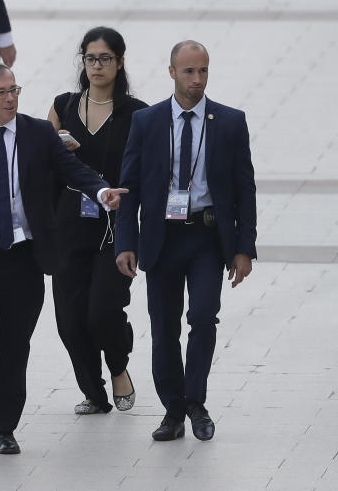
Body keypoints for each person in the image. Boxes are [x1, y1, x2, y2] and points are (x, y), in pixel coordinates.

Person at [0, 61, 126, 459]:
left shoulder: (36, 134)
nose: (11, 98)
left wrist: (101, 193)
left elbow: (71, 168)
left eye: (14, 89)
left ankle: (5, 428)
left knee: (15, 346)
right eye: (1, 92)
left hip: (25, 257)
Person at [116, 40, 257, 442]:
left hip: (208, 237)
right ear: (172, 72)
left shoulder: (229, 121)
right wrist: (126, 243)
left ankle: (195, 401)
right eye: (189, 71)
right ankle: (173, 409)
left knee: (203, 317)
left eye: (203, 71)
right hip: (161, 237)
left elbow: (245, 189)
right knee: (162, 327)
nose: (197, 79)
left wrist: (244, 248)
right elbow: (129, 188)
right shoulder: (147, 122)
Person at [46, 27, 147, 415]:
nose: (97, 66)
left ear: (120, 62)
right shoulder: (64, 105)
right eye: (90, 58)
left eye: (105, 58)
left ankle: (118, 362)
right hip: (68, 224)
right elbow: (40, 158)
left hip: (115, 225)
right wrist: (56, 146)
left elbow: (146, 173)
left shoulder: (137, 113)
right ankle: (93, 392)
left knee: (103, 311)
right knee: (71, 321)